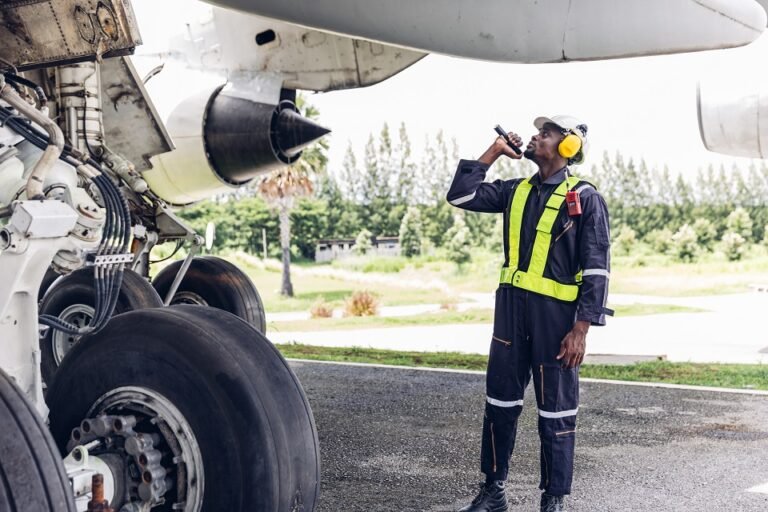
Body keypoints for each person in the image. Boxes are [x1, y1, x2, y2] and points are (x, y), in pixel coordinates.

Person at [447, 116, 612, 512]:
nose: (535, 136)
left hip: (556, 324)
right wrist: (494, 153)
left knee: (557, 412)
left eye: (547, 133)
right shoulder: (515, 191)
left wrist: (582, 329)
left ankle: (553, 499)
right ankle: (493, 490)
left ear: (567, 146)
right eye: (537, 132)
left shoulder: (585, 198)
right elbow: (461, 195)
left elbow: (596, 267)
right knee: (499, 405)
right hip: (510, 318)